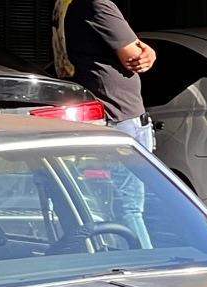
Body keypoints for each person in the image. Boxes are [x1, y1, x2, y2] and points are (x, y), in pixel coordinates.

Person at [53, 0, 158, 246]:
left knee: (97, 206)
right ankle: (144, 265)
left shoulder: (63, 5)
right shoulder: (97, 4)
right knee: (128, 207)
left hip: (95, 113)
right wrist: (150, 52)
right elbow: (134, 55)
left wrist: (147, 51)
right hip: (120, 116)